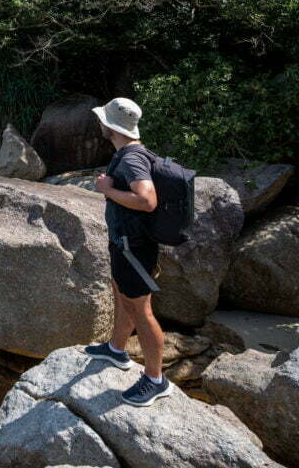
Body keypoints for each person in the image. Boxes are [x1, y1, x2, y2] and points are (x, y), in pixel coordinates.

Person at [84, 97, 172, 406]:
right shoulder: (131, 152)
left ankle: (155, 379)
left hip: (135, 247)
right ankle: (117, 349)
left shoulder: (131, 159)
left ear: (109, 126)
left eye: (102, 120)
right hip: (126, 244)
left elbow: (147, 200)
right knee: (121, 292)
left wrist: (106, 190)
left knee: (141, 311)